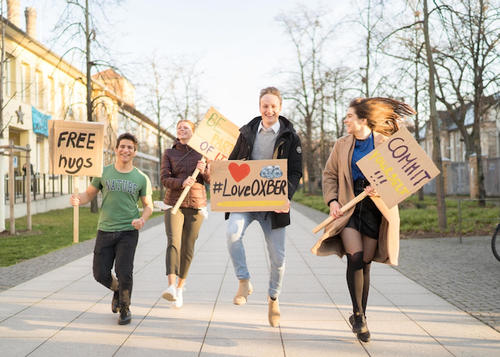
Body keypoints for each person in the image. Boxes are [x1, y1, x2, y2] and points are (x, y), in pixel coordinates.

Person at [313, 97, 415, 342]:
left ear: (363, 120)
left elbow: (400, 180)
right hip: (349, 207)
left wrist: (381, 188)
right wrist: (333, 201)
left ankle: (361, 315)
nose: (345, 120)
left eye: (349, 116)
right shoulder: (341, 145)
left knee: (366, 263)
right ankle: (358, 317)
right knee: (355, 257)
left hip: (375, 209)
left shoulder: (385, 143)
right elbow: (330, 175)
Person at [226, 87, 303, 327]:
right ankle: (244, 280)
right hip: (246, 200)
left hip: (274, 204)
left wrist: (286, 196)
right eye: (265, 106)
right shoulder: (246, 132)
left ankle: (273, 297)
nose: (269, 110)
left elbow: (296, 172)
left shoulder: (291, 137)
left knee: (278, 258)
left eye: (273, 106)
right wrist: (214, 171)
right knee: (232, 233)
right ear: (259, 107)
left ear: (280, 107)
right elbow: (231, 163)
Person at [70, 133, 153, 325]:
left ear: (135, 152)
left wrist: (142, 219)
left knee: (125, 271)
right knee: (100, 273)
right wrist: (77, 199)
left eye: (130, 147)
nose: (126, 150)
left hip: (128, 231)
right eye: (122, 146)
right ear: (116, 149)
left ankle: (125, 308)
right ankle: (116, 290)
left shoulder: (141, 178)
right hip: (105, 230)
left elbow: (148, 205)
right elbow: (89, 195)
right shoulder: (103, 172)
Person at [160, 120, 210, 308]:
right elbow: (165, 178)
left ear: (193, 132)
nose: (181, 129)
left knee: (188, 247)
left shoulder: (203, 153)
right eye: (179, 127)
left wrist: (204, 170)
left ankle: (180, 288)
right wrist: (182, 182)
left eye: (186, 127)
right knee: (173, 242)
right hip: (174, 204)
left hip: (196, 205)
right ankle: (171, 286)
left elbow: (211, 179)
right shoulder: (169, 153)